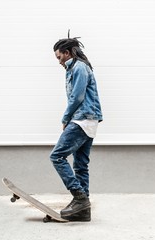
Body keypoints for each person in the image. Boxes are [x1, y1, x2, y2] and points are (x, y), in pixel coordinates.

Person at [50, 34, 103, 222]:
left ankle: (79, 198)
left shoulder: (79, 67)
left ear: (67, 52)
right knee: (80, 166)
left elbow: (77, 97)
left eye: (59, 57)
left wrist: (66, 118)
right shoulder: (76, 68)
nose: (58, 61)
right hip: (89, 120)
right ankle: (83, 211)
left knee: (56, 156)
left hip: (82, 119)